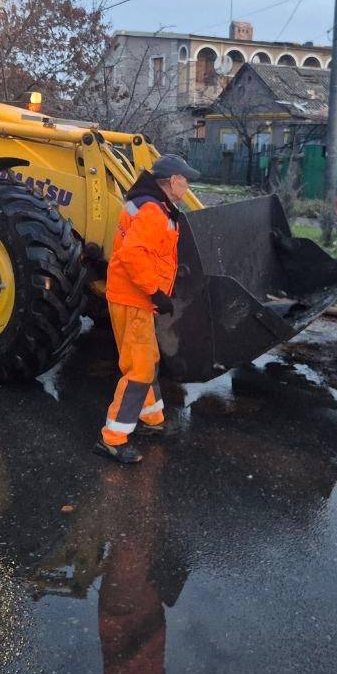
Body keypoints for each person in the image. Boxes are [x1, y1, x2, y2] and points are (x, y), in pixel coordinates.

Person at [96, 154, 199, 465]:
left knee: (146, 360)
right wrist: (156, 292)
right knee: (139, 369)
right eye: (184, 178)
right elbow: (132, 256)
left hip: (132, 297)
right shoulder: (153, 211)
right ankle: (112, 439)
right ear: (170, 181)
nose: (187, 183)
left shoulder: (152, 206)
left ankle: (152, 419)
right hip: (135, 298)